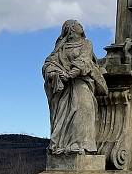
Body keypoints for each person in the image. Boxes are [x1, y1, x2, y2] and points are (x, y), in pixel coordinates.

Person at [42, 20, 108, 154]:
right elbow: (48, 63)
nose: (80, 25)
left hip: (81, 82)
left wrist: (71, 74)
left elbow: (84, 60)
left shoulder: (86, 43)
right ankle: (64, 145)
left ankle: (82, 145)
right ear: (70, 28)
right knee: (64, 116)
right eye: (77, 24)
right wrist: (54, 73)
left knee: (84, 109)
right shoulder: (61, 47)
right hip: (64, 88)